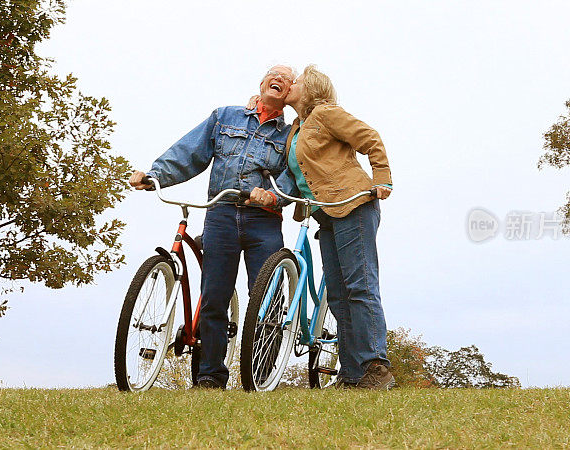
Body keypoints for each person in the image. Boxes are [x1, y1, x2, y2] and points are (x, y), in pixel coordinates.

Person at [129, 65, 297, 389]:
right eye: (273, 74)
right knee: (214, 297)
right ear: (261, 83)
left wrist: (273, 196)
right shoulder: (224, 117)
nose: (279, 79)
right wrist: (155, 175)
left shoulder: (289, 136)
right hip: (220, 213)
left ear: (290, 94)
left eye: (287, 79)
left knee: (268, 297)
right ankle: (210, 376)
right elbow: (189, 152)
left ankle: (262, 377)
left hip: (263, 221)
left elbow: (294, 177)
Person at [249, 65, 395, 390]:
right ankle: (353, 373)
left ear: (312, 88)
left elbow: (369, 138)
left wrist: (382, 177)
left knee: (360, 287)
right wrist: (272, 197)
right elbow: (293, 175)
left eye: (297, 80)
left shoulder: (327, 114)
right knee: (339, 296)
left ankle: (376, 367)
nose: (291, 84)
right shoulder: (296, 130)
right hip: (325, 214)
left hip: (354, 204)